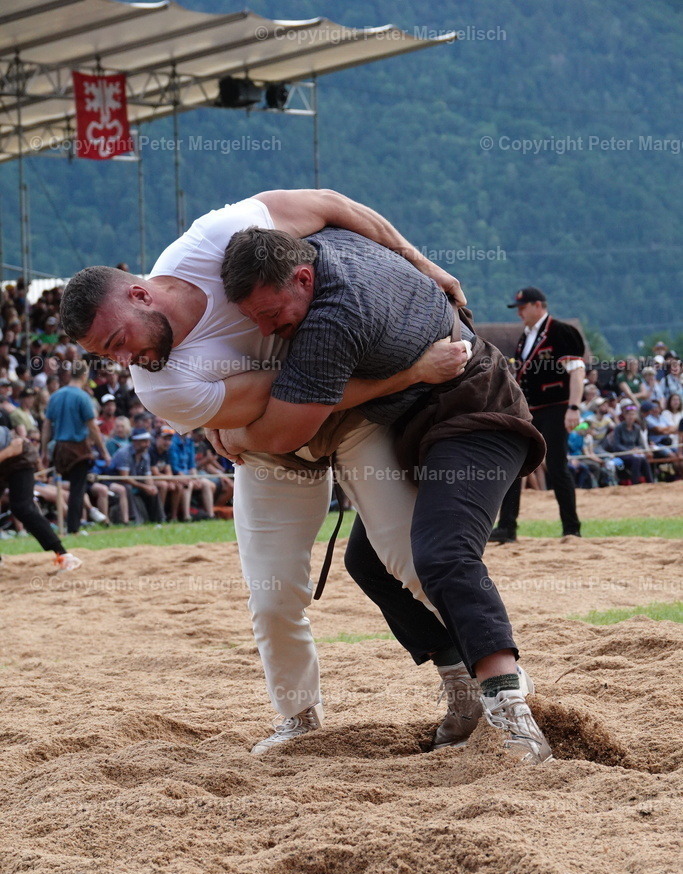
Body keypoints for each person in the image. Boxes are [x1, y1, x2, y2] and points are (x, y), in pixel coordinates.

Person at [61, 190, 471, 756]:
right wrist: (402, 374)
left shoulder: (214, 239)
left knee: (410, 556)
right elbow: (283, 414)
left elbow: (331, 204)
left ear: (139, 293)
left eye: (117, 341)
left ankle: (485, 686)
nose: (124, 362)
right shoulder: (159, 385)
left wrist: (422, 263)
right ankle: (299, 716)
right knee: (274, 594)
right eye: (106, 356)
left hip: (351, 417)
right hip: (280, 443)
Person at [219, 226, 552, 764]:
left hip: (474, 414)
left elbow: (287, 428)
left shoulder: (333, 316)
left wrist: (228, 429)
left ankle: (512, 711)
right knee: (369, 564)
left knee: (441, 554)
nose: (265, 329)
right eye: (253, 318)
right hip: (420, 428)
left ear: (303, 278)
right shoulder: (325, 246)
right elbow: (334, 204)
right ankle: (464, 691)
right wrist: (429, 267)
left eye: (269, 312)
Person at [490, 287, 585, 542]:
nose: (519, 312)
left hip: (556, 408)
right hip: (529, 411)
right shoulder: (525, 337)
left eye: (523, 307)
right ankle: (507, 526)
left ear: (538, 305)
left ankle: (571, 527)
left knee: (557, 466)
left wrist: (574, 408)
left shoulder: (562, 332)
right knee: (514, 465)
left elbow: (577, 371)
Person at [0, 425, 81, 570]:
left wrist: (39, 466)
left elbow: (17, 445)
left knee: (22, 507)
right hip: (4, 463)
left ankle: (63, 555)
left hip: (19, 460)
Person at [42, 360, 109, 534]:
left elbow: (47, 425)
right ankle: (74, 528)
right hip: (78, 449)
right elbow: (93, 427)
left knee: (60, 486)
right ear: (84, 375)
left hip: (59, 449)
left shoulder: (55, 395)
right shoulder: (82, 396)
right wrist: (104, 451)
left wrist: (43, 451)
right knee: (77, 490)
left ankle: (68, 524)